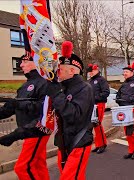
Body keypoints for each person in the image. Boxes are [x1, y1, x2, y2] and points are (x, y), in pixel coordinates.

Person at [47, 41, 94, 179]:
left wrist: (56, 94)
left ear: (72, 70)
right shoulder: (63, 87)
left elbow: (73, 115)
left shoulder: (85, 88)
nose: (57, 72)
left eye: (60, 69)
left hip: (78, 141)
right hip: (63, 141)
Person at [0, 54, 50, 180]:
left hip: (36, 130)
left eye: (24, 61)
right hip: (27, 131)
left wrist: (17, 133)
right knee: (38, 165)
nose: (21, 65)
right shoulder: (25, 85)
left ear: (35, 63)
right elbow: (12, 108)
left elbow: (43, 109)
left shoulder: (44, 83)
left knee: (23, 167)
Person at [88, 63, 110, 154]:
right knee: (95, 125)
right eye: (89, 72)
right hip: (92, 105)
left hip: (99, 104)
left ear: (97, 70)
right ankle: (99, 144)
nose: (90, 73)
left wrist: (95, 97)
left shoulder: (101, 80)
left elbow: (106, 92)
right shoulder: (89, 81)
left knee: (97, 124)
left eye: (92, 71)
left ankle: (101, 144)